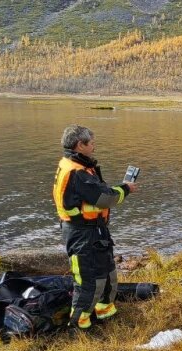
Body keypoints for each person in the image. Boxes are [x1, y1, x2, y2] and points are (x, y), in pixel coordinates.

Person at [52, 125, 138, 330]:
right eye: (91, 142)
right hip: (82, 233)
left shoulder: (75, 165)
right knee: (89, 279)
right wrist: (126, 188)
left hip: (94, 231)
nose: (94, 145)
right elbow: (104, 198)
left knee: (107, 273)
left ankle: (105, 312)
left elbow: (98, 192)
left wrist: (119, 189)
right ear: (80, 145)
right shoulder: (77, 172)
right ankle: (79, 325)